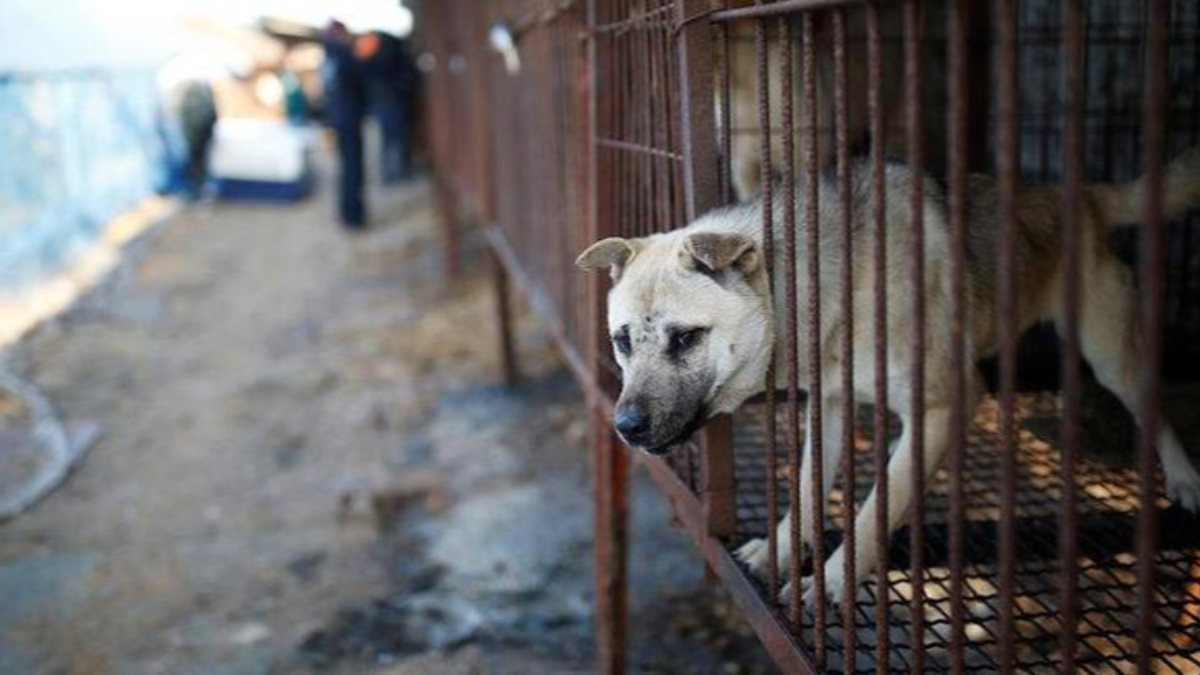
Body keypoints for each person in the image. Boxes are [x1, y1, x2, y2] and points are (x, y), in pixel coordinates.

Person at [321, 20, 368, 229]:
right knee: (353, 168)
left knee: (344, 168)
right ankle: (353, 216)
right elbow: (361, 83)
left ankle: (347, 213)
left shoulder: (328, 58)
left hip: (337, 119)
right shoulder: (344, 55)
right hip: (349, 119)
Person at [355, 31, 418, 184]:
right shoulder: (388, 55)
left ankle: (392, 173)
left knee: (390, 139)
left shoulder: (372, 57)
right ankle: (396, 172)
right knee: (396, 138)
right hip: (390, 101)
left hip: (383, 102)